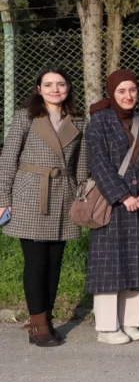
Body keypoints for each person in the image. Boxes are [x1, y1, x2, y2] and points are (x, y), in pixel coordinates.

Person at [0, 68, 88, 346]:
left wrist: (82, 197)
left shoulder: (79, 121)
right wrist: (3, 198)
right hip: (30, 195)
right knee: (36, 262)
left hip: (64, 195)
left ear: (69, 88)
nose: (55, 89)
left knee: (54, 263)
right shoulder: (25, 117)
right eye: (48, 84)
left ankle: (46, 319)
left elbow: (81, 164)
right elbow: (7, 158)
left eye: (61, 84)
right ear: (38, 89)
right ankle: (37, 325)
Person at [84, 69, 139, 345]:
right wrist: (123, 195)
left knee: (136, 263)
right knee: (108, 265)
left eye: (132, 90)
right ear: (112, 93)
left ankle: (130, 322)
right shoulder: (99, 122)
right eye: (122, 91)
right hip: (111, 204)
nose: (128, 96)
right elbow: (99, 163)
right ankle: (106, 327)